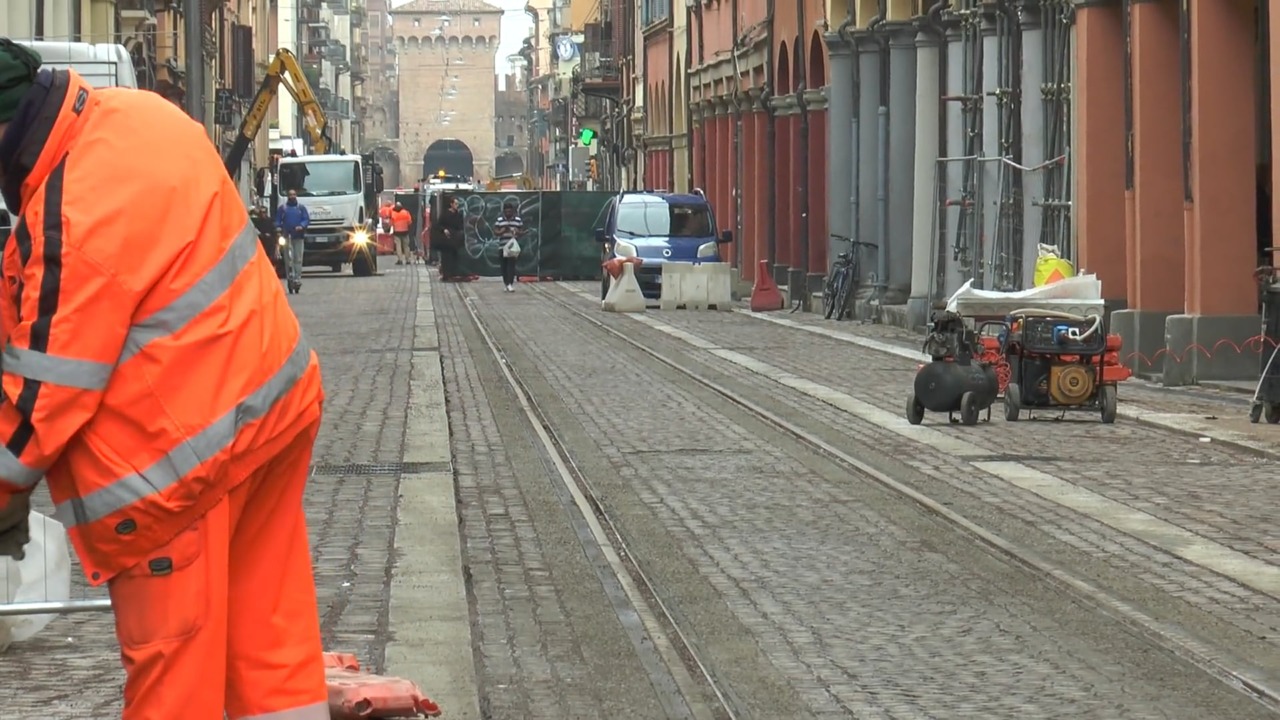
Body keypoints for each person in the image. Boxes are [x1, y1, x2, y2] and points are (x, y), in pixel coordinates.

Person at [0, 39, 329, 719]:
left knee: (173, 687)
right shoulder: (143, 116)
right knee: (270, 659)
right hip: (270, 415)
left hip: (174, 474)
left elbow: (42, 396)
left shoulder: (71, 203)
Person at [275, 188, 309, 292]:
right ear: (288, 196)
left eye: (294, 194)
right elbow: (277, 220)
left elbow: (306, 219)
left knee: (298, 258)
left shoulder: (301, 208)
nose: (292, 196)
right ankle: (290, 278)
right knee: (288, 259)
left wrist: (301, 226)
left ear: (296, 196)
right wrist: (278, 227)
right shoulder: (283, 208)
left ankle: (297, 278)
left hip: (298, 236)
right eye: (290, 195)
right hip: (286, 236)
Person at [494, 201, 526, 292]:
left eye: (510, 212)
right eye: (506, 212)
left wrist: (517, 232)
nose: (508, 213)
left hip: (512, 246)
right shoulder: (500, 220)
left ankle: (510, 283)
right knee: (503, 266)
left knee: (511, 266)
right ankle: (506, 283)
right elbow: (496, 232)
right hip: (502, 246)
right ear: (504, 211)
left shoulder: (517, 220)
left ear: (513, 211)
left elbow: (521, 232)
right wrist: (502, 231)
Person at [434, 195, 465, 281]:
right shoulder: (445, 214)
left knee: (454, 257)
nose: (457, 205)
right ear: (451, 204)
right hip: (446, 240)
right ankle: (446, 275)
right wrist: (444, 230)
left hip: (455, 239)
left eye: (457, 204)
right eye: (455, 204)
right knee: (446, 258)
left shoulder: (458, 214)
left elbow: (460, 226)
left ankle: (453, 274)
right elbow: (438, 225)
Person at [390, 201, 413, 265]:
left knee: (398, 246)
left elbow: (391, 223)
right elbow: (409, 222)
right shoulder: (406, 212)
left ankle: (400, 260)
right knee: (406, 246)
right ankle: (408, 260)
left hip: (397, 232)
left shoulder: (393, 213)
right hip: (405, 232)